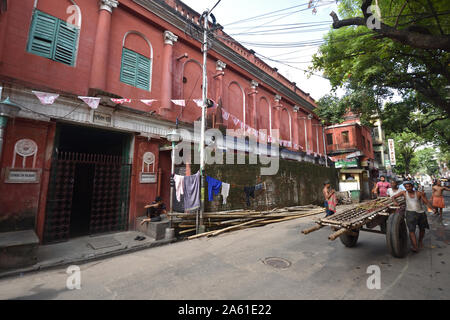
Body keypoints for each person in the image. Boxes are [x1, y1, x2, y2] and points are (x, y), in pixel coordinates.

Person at [392, 181, 436, 253]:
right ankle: (415, 246)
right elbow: (393, 197)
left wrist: (432, 208)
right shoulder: (403, 193)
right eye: (406, 187)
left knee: (422, 229)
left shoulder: (418, 193)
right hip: (410, 213)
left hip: (420, 213)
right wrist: (394, 201)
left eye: (409, 186)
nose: (408, 188)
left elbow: (426, 202)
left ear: (412, 186)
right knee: (411, 231)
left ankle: (420, 241)